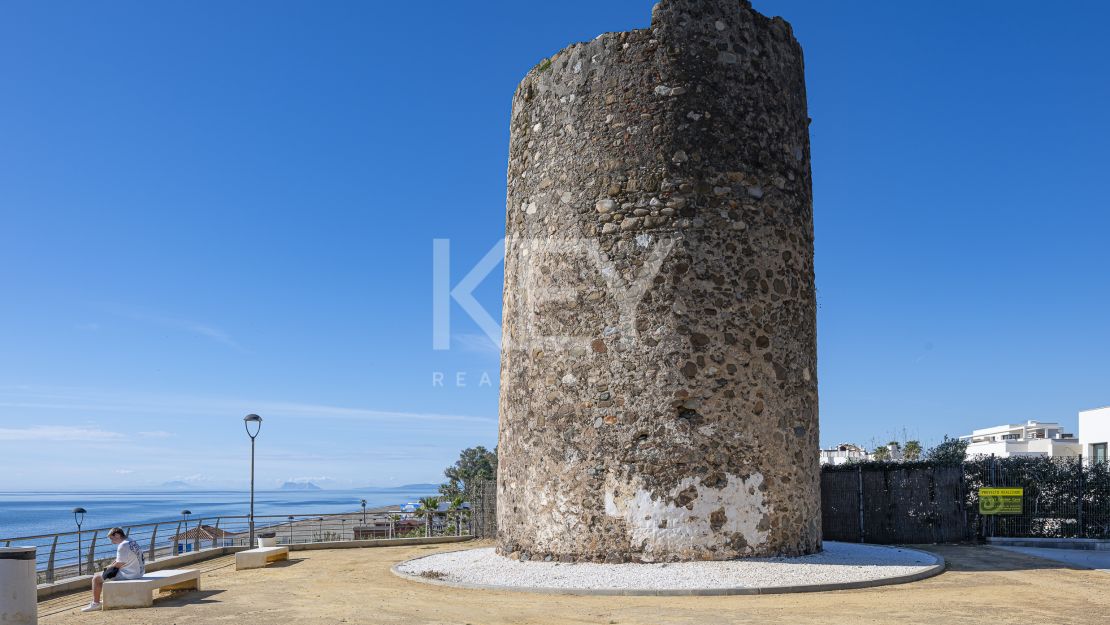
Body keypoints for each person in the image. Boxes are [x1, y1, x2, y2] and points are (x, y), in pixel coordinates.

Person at [82, 527, 145, 612]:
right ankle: (100, 600)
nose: (112, 542)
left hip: (130, 574)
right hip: (139, 572)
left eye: (112, 538)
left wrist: (108, 569)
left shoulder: (123, 546)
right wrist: (110, 566)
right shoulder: (131, 541)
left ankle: (95, 604)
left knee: (96, 578)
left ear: (117, 535)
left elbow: (118, 564)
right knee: (104, 573)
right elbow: (119, 560)